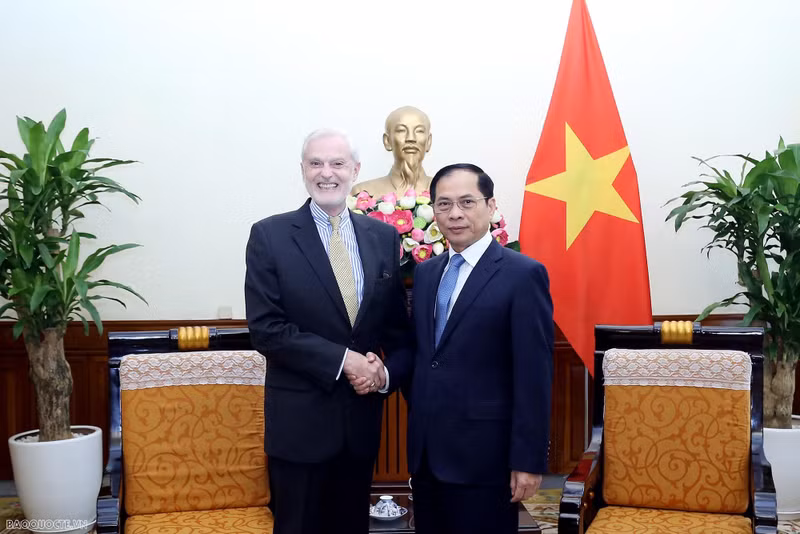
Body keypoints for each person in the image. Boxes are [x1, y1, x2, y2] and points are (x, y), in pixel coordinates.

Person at [355, 163, 554, 534]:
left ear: (491, 206)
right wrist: (382, 374)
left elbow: (535, 374)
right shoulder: (429, 273)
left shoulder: (523, 274)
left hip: (487, 458)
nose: (455, 214)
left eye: (467, 202)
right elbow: (423, 356)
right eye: (444, 204)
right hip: (428, 455)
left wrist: (528, 460)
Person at [245, 129, 412, 534]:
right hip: (300, 427)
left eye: (337, 164)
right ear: (302, 170)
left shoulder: (384, 237)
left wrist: (383, 374)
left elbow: (397, 332)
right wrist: (345, 360)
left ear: (355, 170)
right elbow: (267, 330)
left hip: (360, 423)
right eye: (316, 163)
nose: (327, 173)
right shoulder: (270, 235)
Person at [350, 106, 433, 197]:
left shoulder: (445, 191)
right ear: (387, 141)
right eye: (401, 130)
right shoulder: (363, 194)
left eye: (419, 131)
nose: (411, 138)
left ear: (428, 141)